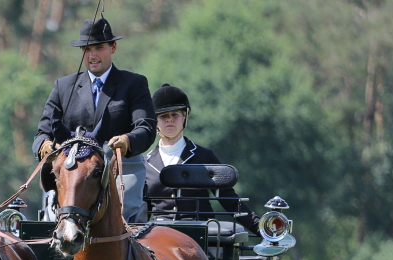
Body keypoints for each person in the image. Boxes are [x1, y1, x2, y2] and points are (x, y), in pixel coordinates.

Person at [32, 17, 156, 222]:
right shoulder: (63, 87)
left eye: (98, 48)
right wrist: (43, 145)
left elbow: (146, 128)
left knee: (120, 220)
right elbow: (42, 132)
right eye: (86, 49)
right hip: (73, 172)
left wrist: (127, 140)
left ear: (113, 47)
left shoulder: (134, 84)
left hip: (118, 169)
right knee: (53, 222)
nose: (92, 55)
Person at [144, 84, 260, 232]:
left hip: (200, 231)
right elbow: (142, 209)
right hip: (160, 234)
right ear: (155, 121)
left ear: (185, 117)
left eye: (175, 114)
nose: (169, 120)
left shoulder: (204, 156)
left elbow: (228, 199)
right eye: (163, 116)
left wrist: (261, 227)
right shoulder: (145, 163)